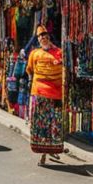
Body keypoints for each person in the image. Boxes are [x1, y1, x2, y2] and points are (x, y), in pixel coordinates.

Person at [27, 26, 65, 166]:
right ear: (38, 39)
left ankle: (52, 150)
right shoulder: (34, 54)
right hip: (39, 93)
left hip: (56, 95)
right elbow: (30, 70)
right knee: (40, 125)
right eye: (40, 36)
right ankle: (42, 154)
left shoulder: (60, 53)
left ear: (49, 37)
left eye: (45, 35)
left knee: (54, 124)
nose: (43, 37)